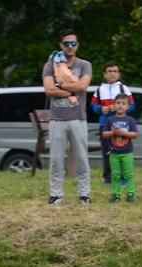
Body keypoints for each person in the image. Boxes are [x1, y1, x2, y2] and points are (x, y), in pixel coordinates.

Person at [42, 29, 92, 206]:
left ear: (77, 45)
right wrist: (73, 89)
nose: (70, 47)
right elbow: (49, 90)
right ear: (60, 45)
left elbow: (83, 86)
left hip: (78, 118)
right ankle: (56, 195)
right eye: (66, 44)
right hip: (57, 119)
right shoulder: (50, 65)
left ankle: (84, 194)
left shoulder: (85, 65)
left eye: (73, 43)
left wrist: (60, 84)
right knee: (56, 159)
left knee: (81, 158)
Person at [91, 61, 134, 185]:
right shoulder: (100, 89)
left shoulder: (123, 88)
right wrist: (100, 109)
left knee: (121, 150)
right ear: (105, 74)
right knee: (107, 152)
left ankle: (122, 178)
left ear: (118, 74)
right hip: (104, 125)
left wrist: (120, 108)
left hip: (121, 124)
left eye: (115, 71)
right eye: (109, 71)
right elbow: (93, 105)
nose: (112, 74)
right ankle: (108, 178)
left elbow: (132, 105)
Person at [102, 93, 138, 203]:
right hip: (114, 152)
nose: (120, 106)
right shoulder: (110, 120)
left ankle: (131, 193)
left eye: (123, 103)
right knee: (115, 174)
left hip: (127, 152)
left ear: (128, 106)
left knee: (128, 174)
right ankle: (115, 194)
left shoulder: (130, 120)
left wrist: (124, 133)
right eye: (118, 103)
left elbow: (135, 134)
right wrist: (113, 132)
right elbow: (104, 134)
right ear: (114, 105)